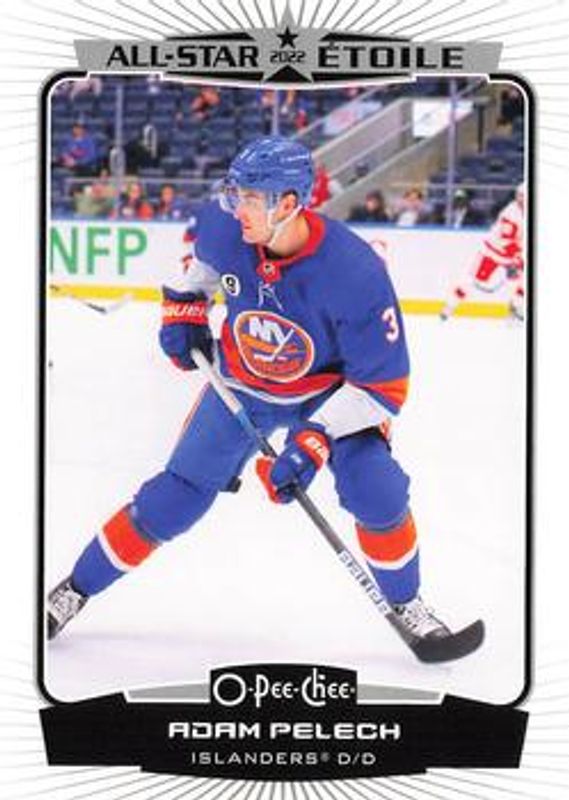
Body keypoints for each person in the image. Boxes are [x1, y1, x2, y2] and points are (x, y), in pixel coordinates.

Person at [47, 136, 481, 659]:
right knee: (174, 497)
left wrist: (315, 439)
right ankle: (73, 590)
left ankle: (409, 605)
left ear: (290, 203)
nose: (238, 208)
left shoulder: (356, 273)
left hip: (328, 397)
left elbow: (382, 388)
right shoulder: (226, 225)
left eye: (252, 198)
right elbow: (201, 275)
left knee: (376, 490)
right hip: (242, 385)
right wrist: (183, 312)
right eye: (235, 193)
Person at [440, 184, 525, 321]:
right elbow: (506, 241)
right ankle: (450, 305)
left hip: (512, 255)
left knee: (522, 282)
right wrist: (516, 260)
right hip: (492, 252)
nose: (521, 199)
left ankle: (516, 308)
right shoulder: (511, 214)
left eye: (524, 196)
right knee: (471, 280)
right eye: (519, 195)